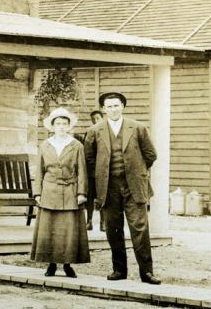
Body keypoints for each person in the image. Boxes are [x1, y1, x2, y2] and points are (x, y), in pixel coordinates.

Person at [85, 90, 161, 284]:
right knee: (113, 229)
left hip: (134, 186)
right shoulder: (95, 131)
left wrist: (136, 172)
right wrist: (104, 176)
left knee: (140, 228)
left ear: (123, 106)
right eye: (109, 106)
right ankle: (119, 270)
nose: (113, 109)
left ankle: (147, 272)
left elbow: (150, 155)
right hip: (109, 188)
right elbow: (90, 160)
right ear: (103, 109)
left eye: (116, 105)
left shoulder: (138, 128)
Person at [30, 106, 90, 277]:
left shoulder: (76, 145)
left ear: (69, 126)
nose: (61, 127)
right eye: (58, 124)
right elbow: (39, 172)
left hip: (70, 192)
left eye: (65, 123)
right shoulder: (45, 145)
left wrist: (81, 193)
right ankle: (51, 264)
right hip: (49, 192)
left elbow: (82, 171)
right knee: (50, 229)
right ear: (52, 126)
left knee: (68, 231)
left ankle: (67, 264)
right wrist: (37, 193)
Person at [79, 109, 104, 228]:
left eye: (98, 118)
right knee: (89, 198)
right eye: (93, 119)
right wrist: (94, 168)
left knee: (103, 197)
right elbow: (87, 153)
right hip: (91, 172)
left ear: (102, 118)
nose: (95, 121)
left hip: (104, 172)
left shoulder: (106, 132)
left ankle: (103, 222)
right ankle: (89, 221)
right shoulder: (89, 132)